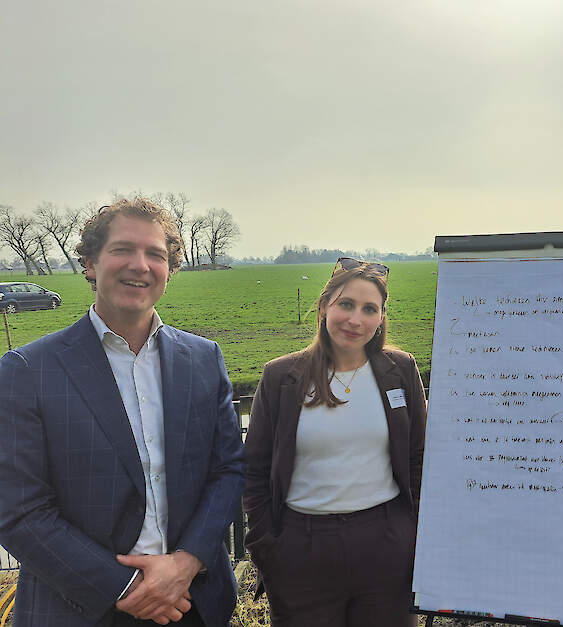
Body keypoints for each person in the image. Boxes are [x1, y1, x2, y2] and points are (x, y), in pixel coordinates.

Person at [0, 198, 245, 626]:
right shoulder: (27, 371)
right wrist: (126, 588)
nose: (140, 265)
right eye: (122, 250)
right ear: (91, 263)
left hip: (192, 603)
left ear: (170, 270)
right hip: (78, 608)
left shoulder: (203, 359)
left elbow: (228, 470)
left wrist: (186, 563)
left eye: (156, 254)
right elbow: (19, 510)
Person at [243, 258, 426, 627]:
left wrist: (412, 533)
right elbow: (254, 471)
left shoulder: (400, 370)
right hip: (301, 549)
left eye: (369, 309)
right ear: (325, 305)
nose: (355, 320)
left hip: (386, 546)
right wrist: (270, 548)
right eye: (346, 304)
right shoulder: (281, 376)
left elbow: (420, 457)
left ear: (380, 318)